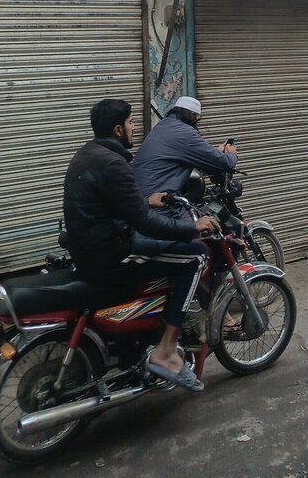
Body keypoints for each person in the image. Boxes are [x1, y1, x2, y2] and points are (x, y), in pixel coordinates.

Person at [63, 98, 217, 392]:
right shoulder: (114, 163)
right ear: (118, 129)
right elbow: (146, 223)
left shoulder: (87, 154)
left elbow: (111, 204)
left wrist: (146, 199)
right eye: (132, 123)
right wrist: (191, 226)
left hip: (89, 249)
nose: (135, 128)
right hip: (111, 255)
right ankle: (167, 350)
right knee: (196, 257)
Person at [133, 95, 238, 202]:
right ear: (193, 116)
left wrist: (216, 152)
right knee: (204, 219)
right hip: (157, 203)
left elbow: (197, 153)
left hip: (140, 198)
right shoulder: (184, 133)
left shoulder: (163, 125)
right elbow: (224, 162)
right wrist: (231, 155)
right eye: (198, 119)